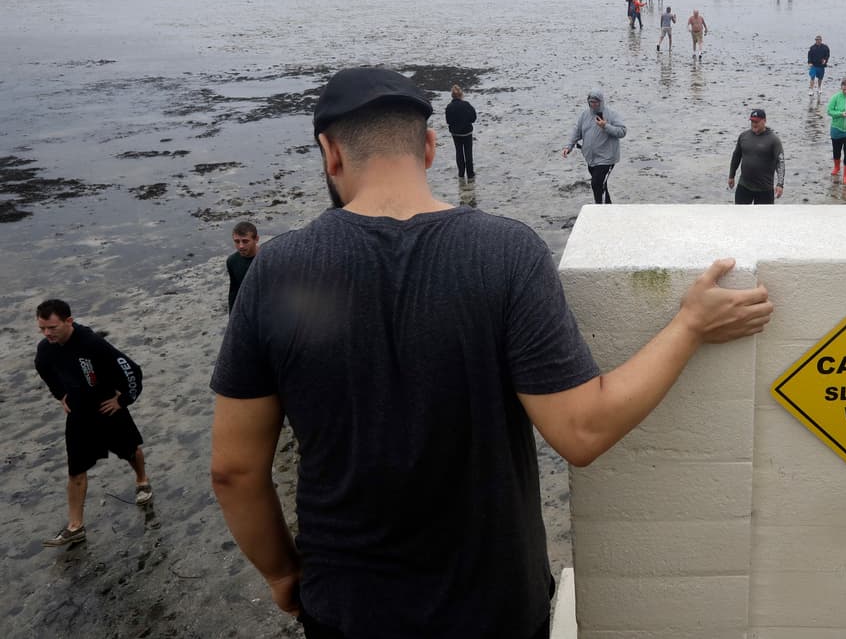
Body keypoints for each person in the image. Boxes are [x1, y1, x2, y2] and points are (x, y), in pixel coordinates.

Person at [210, 67, 773, 639]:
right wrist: (690, 325)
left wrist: (281, 573)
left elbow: (234, 471)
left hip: (347, 608)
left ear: (330, 154)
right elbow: (583, 431)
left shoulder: (274, 272)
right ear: (430, 147)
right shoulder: (505, 253)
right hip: (494, 605)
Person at [35, 299, 151, 547]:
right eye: (42, 329)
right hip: (78, 413)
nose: (47, 334)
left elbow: (131, 369)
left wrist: (125, 400)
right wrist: (60, 395)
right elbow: (42, 368)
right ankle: (75, 526)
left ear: (69, 321)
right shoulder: (46, 349)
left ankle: (142, 480)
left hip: (106, 407)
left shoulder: (93, 344)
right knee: (75, 470)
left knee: (130, 450)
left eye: (52, 328)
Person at [562, 88, 627, 204]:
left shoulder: (611, 114)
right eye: (591, 102)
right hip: (591, 159)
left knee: (596, 184)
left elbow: (622, 132)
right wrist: (568, 147)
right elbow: (577, 132)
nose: (594, 104)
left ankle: (600, 212)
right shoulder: (584, 115)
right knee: (601, 186)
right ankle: (609, 209)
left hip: (607, 159)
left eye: (596, 102)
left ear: (601, 101)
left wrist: (605, 126)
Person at [728, 109, 785, 205]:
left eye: (757, 122)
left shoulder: (773, 140)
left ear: (764, 121)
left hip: (765, 189)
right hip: (744, 186)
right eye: (752, 121)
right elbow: (736, 156)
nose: (754, 124)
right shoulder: (743, 136)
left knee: (764, 219)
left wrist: (780, 184)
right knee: (739, 217)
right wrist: (731, 175)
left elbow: (780, 163)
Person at [445, 83, 477, 180]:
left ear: (452, 95)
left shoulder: (449, 107)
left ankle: (461, 174)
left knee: (459, 152)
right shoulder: (467, 105)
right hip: (467, 132)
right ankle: (470, 175)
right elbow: (473, 118)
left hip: (455, 133)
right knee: (468, 153)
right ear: (461, 95)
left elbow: (448, 121)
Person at [227, 220, 259, 312]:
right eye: (237, 241)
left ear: (256, 239)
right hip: (246, 308)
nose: (241, 246)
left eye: (245, 241)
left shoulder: (267, 259)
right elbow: (234, 290)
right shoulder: (232, 261)